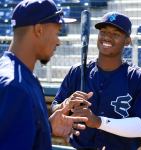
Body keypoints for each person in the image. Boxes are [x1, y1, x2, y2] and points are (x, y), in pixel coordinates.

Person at [0, 0, 93, 149]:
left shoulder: (22, 76)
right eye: (57, 32)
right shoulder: (15, 87)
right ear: (39, 30)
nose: (58, 41)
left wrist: (47, 127)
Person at [50, 12, 141, 150]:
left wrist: (98, 122)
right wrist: (67, 104)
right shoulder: (78, 71)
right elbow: (56, 107)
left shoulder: (138, 77)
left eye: (116, 34)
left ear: (127, 40)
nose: (107, 37)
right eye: (103, 32)